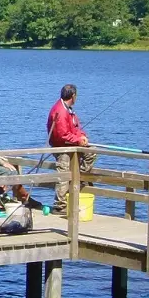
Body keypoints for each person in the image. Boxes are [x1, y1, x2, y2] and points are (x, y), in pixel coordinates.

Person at [46, 84, 95, 214]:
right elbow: (62, 134)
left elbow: (75, 128)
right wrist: (78, 140)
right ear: (73, 96)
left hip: (70, 144)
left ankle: (79, 178)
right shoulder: (60, 111)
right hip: (62, 147)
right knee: (63, 174)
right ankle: (60, 205)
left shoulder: (68, 110)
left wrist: (82, 136)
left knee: (91, 152)